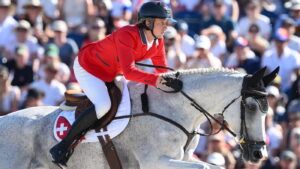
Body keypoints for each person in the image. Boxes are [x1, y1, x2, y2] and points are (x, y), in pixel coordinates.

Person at [49, 1, 183, 167]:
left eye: (166, 23)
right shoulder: (127, 34)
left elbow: (161, 71)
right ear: (148, 22)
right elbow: (130, 72)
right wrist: (157, 81)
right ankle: (62, 146)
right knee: (104, 104)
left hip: (111, 72)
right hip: (88, 68)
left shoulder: (157, 41)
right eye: (162, 22)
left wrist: (172, 84)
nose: (166, 27)